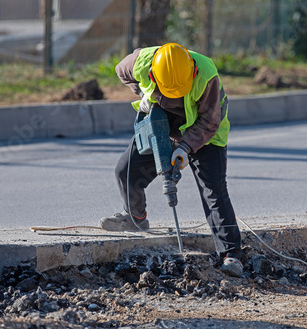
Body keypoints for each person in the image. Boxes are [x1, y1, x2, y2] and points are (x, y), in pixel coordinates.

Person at [99, 43, 243, 277]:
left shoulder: (206, 75)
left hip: (205, 131)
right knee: (126, 171)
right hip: (162, 123)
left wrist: (185, 147)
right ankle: (136, 218)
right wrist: (143, 93)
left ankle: (231, 254)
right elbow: (120, 71)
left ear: (192, 73)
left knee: (213, 191)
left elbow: (210, 121)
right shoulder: (141, 62)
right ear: (153, 74)